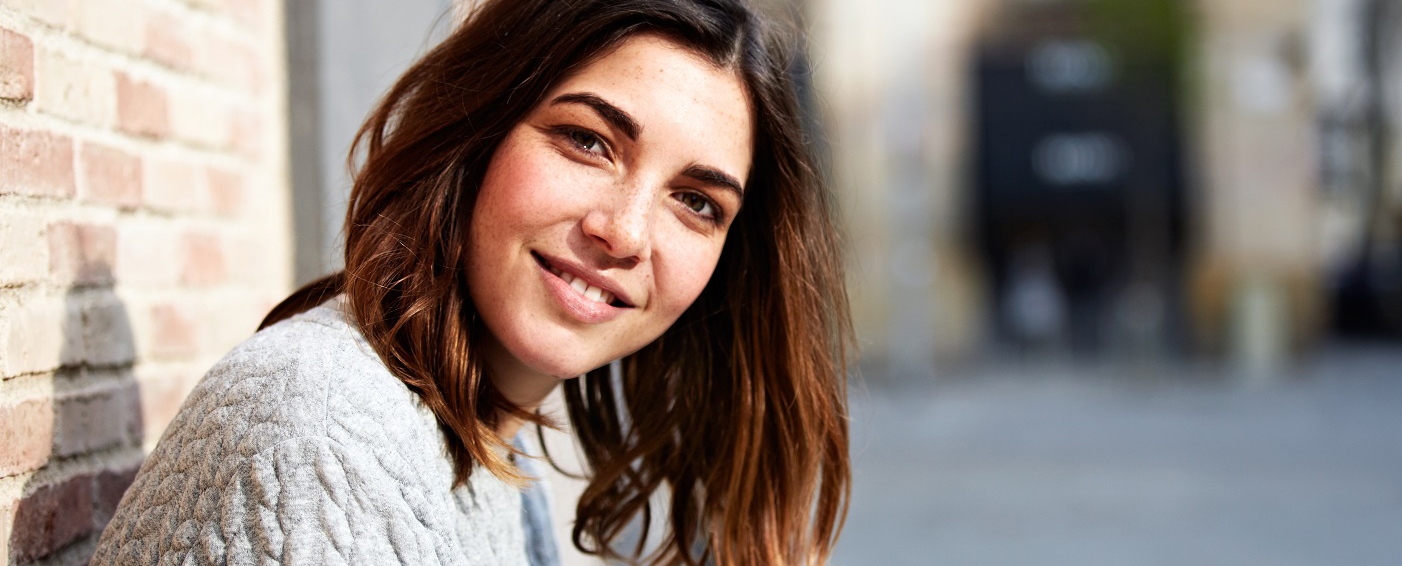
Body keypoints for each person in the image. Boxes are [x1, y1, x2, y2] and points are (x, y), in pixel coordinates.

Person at [91, 0, 853, 563]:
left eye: (695, 202)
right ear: (479, 129)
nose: (623, 232)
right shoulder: (325, 424)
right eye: (588, 141)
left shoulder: (497, 448)